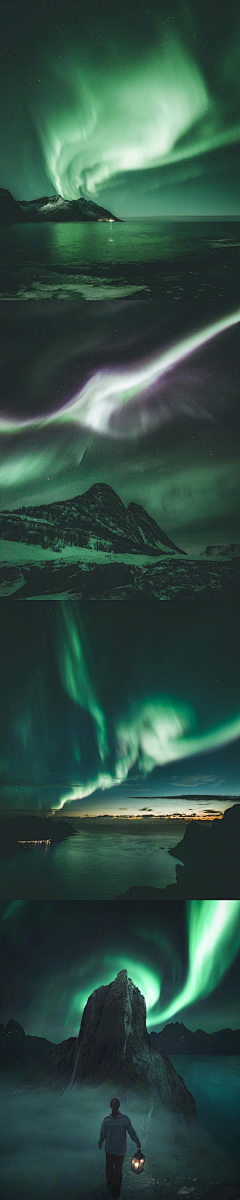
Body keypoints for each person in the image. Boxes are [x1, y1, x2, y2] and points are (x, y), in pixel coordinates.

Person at [98, 1096, 141, 1198]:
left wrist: (100, 1142)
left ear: (110, 1106)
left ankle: (109, 1182)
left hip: (109, 1149)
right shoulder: (124, 1119)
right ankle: (116, 1192)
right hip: (121, 1151)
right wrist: (137, 1142)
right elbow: (132, 1132)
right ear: (119, 1106)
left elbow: (102, 1133)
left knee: (109, 1167)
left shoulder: (106, 1119)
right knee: (118, 1170)